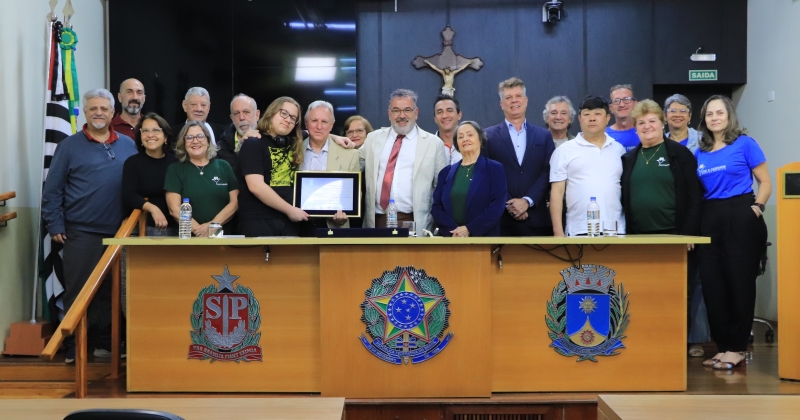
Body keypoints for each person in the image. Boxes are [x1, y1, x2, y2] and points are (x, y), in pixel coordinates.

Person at [41, 88, 138, 363]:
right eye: (93, 108)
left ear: (112, 113)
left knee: (111, 293)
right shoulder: (69, 146)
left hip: (119, 233)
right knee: (79, 290)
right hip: (81, 232)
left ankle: (106, 344)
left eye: (104, 109)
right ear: (84, 112)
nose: (98, 113)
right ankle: (75, 344)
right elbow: (52, 190)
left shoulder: (128, 145)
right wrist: (54, 224)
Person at [695, 95, 771, 371]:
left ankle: (737, 348)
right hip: (710, 218)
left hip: (742, 216)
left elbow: (765, 181)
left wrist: (757, 208)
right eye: (709, 114)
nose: (714, 118)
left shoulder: (745, 144)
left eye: (719, 113)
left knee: (740, 284)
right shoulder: (700, 152)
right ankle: (722, 347)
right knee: (713, 286)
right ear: (704, 120)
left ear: (729, 116)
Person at [359, 89, 447, 236]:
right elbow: (352, 163)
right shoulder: (373, 139)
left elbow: (442, 187)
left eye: (407, 110)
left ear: (416, 112)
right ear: (389, 114)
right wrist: (334, 138)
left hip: (415, 223)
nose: (401, 115)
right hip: (377, 222)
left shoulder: (433, 143)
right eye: (396, 110)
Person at [662, 93, 710, 357]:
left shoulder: (703, 142)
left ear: (690, 116)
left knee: (697, 282)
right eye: (672, 110)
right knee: (669, 280)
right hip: (669, 220)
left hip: (701, 216)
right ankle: (668, 335)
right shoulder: (656, 142)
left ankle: (696, 338)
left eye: (683, 110)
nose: (677, 114)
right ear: (665, 115)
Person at [484, 77, 555, 236]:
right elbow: (487, 175)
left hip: (537, 219)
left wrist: (527, 201)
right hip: (501, 221)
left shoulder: (543, 136)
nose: (514, 100)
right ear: (502, 104)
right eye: (508, 97)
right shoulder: (488, 136)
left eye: (518, 96)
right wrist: (509, 204)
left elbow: (548, 172)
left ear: (526, 100)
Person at [549, 95, 626, 236]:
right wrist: (558, 233)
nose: (592, 118)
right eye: (587, 114)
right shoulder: (564, 151)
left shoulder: (618, 149)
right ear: (579, 119)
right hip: (579, 230)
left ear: (608, 118)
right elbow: (557, 193)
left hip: (616, 229)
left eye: (597, 114)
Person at [237, 97, 308, 237]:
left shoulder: (291, 142)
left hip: (288, 223)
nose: (288, 120)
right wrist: (290, 210)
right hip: (259, 222)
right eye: (284, 113)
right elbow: (256, 186)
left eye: (293, 118)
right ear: (271, 113)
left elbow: (314, 132)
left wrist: (336, 138)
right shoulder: (253, 143)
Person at [431, 121, 507, 237]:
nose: (465, 139)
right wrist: (454, 230)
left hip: (483, 239)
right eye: (460, 137)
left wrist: (469, 229)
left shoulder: (494, 169)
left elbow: (497, 205)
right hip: (452, 238)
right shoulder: (446, 173)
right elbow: (437, 207)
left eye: (470, 135)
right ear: (457, 143)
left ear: (480, 139)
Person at [165, 121, 239, 236]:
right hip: (187, 238)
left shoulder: (224, 166)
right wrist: (199, 231)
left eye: (200, 136)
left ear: (208, 140)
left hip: (221, 237)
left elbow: (234, 202)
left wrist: (211, 226)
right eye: (189, 137)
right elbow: (174, 209)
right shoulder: (175, 169)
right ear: (183, 143)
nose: (195, 141)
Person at [299, 100, 360, 235]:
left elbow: (354, 196)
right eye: (314, 120)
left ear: (332, 125)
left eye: (325, 122)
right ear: (306, 123)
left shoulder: (350, 155)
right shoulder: (291, 150)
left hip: (333, 228)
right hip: (296, 226)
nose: (319, 126)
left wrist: (345, 213)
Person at [122, 113, 179, 236]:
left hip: (175, 229)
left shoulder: (176, 163)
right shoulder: (132, 163)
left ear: (165, 137)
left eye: (156, 130)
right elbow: (128, 195)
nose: (150, 135)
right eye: (145, 131)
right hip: (140, 229)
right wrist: (153, 208)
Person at [217, 94, 260, 171]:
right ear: (232, 118)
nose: (241, 118)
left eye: (246, 112)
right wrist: (240, 148)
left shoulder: (270, 139)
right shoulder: (220, 148)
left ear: (257, 115)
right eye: (236, 113)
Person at [606, 84, 640, 152]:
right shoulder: (604, 135)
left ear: (635, 104)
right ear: (611, 108)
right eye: (616, 101)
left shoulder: (645, 131)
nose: (622, 105)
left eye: (626, 99)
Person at [433, 94, 463, 165]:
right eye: (439, 112)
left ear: (459, 115)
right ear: (435, 119)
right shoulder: (428, 147)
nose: (444, 116)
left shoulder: (472, 144)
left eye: (449, 111)